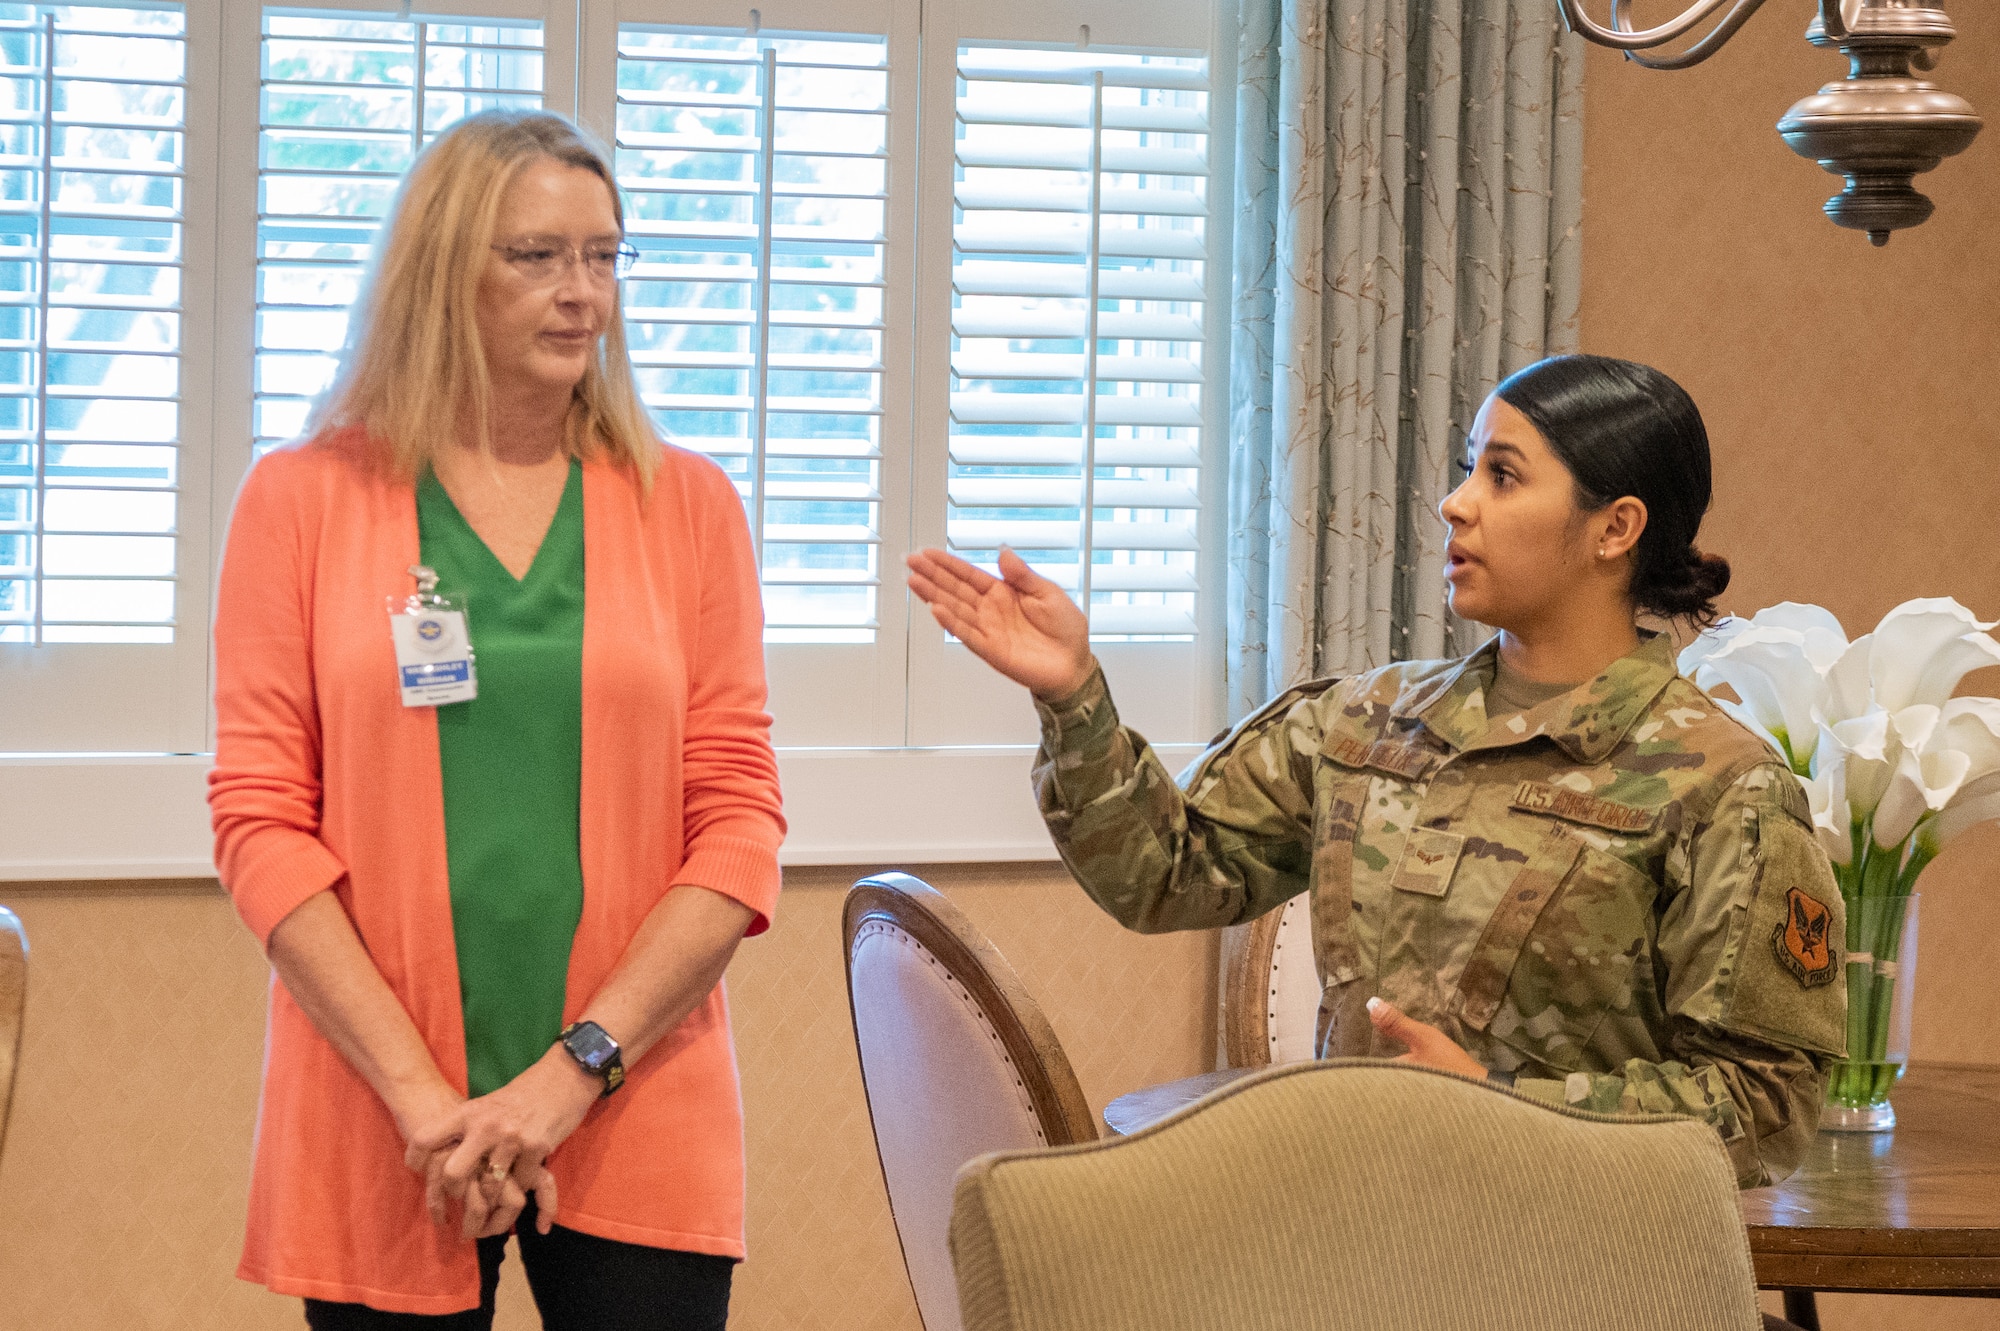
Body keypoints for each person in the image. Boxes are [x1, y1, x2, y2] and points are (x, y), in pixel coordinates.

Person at [907, 353, 1846, 1190]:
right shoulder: (1364, 721)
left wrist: (1506, 1108)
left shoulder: (1723, 788)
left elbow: (1764, 1103)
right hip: (1356, 1238)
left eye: (1503, 474)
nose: (1456, 500)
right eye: (1470, 464)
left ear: (1616, 528)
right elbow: (1166, 874)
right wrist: (1075, 696)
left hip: (1574, 1273)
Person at [208, 111, 784, 1328]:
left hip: (633, 1086)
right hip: (385, 1111)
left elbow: (734, 827)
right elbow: (260, 824)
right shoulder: (302, 498)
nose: (582, 295)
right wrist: (427, 1101)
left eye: (605, 257)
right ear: (439, 271)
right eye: (536, 256)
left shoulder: (688, 505)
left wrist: (569, 1075)